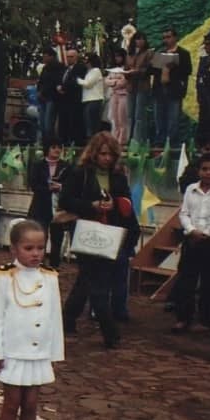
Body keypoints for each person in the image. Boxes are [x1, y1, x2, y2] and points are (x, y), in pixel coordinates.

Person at [0, 220, 64, 420]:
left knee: (31, 404)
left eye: (40, 248)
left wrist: (54, 353)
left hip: (39, 352)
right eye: (28, 248)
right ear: (14, 249)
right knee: (12, 403)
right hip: (13, 350)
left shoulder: (50, 277)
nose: (35, 253)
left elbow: (55, 317)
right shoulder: (4, 276)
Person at [58, 132, 139, 348]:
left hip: (109, 233)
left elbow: (127, 204)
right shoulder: (80, 173)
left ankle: (67, 318)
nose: (107, 158)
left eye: (111, 154)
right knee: (97, 283)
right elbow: (66, 200)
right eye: (103, 154)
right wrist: (91, 205)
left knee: (87, 279)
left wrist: (115, 205)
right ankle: (110, 331)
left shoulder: (119, 177)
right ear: (94, 153)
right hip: (86, 232)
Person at [171, 153, 210, 334]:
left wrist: (207, 233)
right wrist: (192, 230)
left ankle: (205, 321)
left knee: (209, 284)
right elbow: (184, 213)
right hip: (191, 240)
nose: (208, 173)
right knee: (186, 281)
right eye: (204, 169)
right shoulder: (191, 189)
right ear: (198, 171)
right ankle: (183, 318)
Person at [26, 137, 73, 268]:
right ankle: (38, 263)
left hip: (58, 207)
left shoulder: (67, 166)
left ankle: (54, 266)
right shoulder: (38, 165)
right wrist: (48, 188)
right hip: (41, 207)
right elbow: (34, 185)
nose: (57, 150)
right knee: (40, 236)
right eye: (54, 147)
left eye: (59, 147)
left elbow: (71, 185)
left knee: (57, 238)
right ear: (47, 149)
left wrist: (61, 187)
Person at [151, 28, 192, 147]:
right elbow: (153, 71)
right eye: (164, 37)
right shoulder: (159, 52)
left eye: (168, 37)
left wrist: (173, 67)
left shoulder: (183, 53)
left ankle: (172, 142)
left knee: (173, 119)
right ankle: (159, 142)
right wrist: (152, 62)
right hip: (159, 89)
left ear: (175, 38)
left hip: (174, 89)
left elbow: (187, 71)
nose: (166, 40)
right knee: (159, 118)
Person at [126, 32, 154, 144]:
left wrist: (137, 71)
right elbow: (126, 68)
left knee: (139, 115)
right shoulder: (130, 54)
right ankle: (130, 138)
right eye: (137, 39)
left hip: (142, 86)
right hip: (131, 86)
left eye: (142, 39)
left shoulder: (149, 53)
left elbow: (149, 69)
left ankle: (138, 140)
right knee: (130, 115)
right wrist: (126, 72)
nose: (140, 41)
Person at [57, 49, 87, 145]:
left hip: (74, 100)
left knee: (74, 122)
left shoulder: (80, 68)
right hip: (63, 100)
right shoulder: (65, 69)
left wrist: (63, 88)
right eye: (68, 56)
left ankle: (75, 142)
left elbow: (76, 81)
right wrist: (58, 86)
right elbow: (61, 80)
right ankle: (63, 142)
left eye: (71, 57)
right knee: (63, 122)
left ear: (76, 57)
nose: (69, 59)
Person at [36, 47, 64, 142]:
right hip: (43, 98)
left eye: (45, 56)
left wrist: (44, 91)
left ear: (51, 56)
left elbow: (55, 82)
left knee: (48, 124)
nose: (44, 58)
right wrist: (39, 91)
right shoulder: (45, 68)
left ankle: (50, 142)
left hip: (52, 98)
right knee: (42, 123)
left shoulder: (59, 67)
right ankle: (44, 141)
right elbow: (41, 81)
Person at [104, 48, 130, 145]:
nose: (117, 58)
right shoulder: (112, 69)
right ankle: (114, 139)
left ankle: (122, 140)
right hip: (114, 95)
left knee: (122, 118)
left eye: (119, 56)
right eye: (115, 56)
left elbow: (124, 82)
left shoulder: (126, 69)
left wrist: (114, 82)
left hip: (123, 95)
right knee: (114, 119)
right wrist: (114, 82)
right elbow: (106, 81)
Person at [77, 53, 105, 141]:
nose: (85, 63)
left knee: (92, 124)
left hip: (94, 99)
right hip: (87, 99)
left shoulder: (96, 71)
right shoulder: (88, 72)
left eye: (87, 61)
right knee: (88, 123)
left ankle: (94, 142)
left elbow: (88, 84)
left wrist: (76, 79)